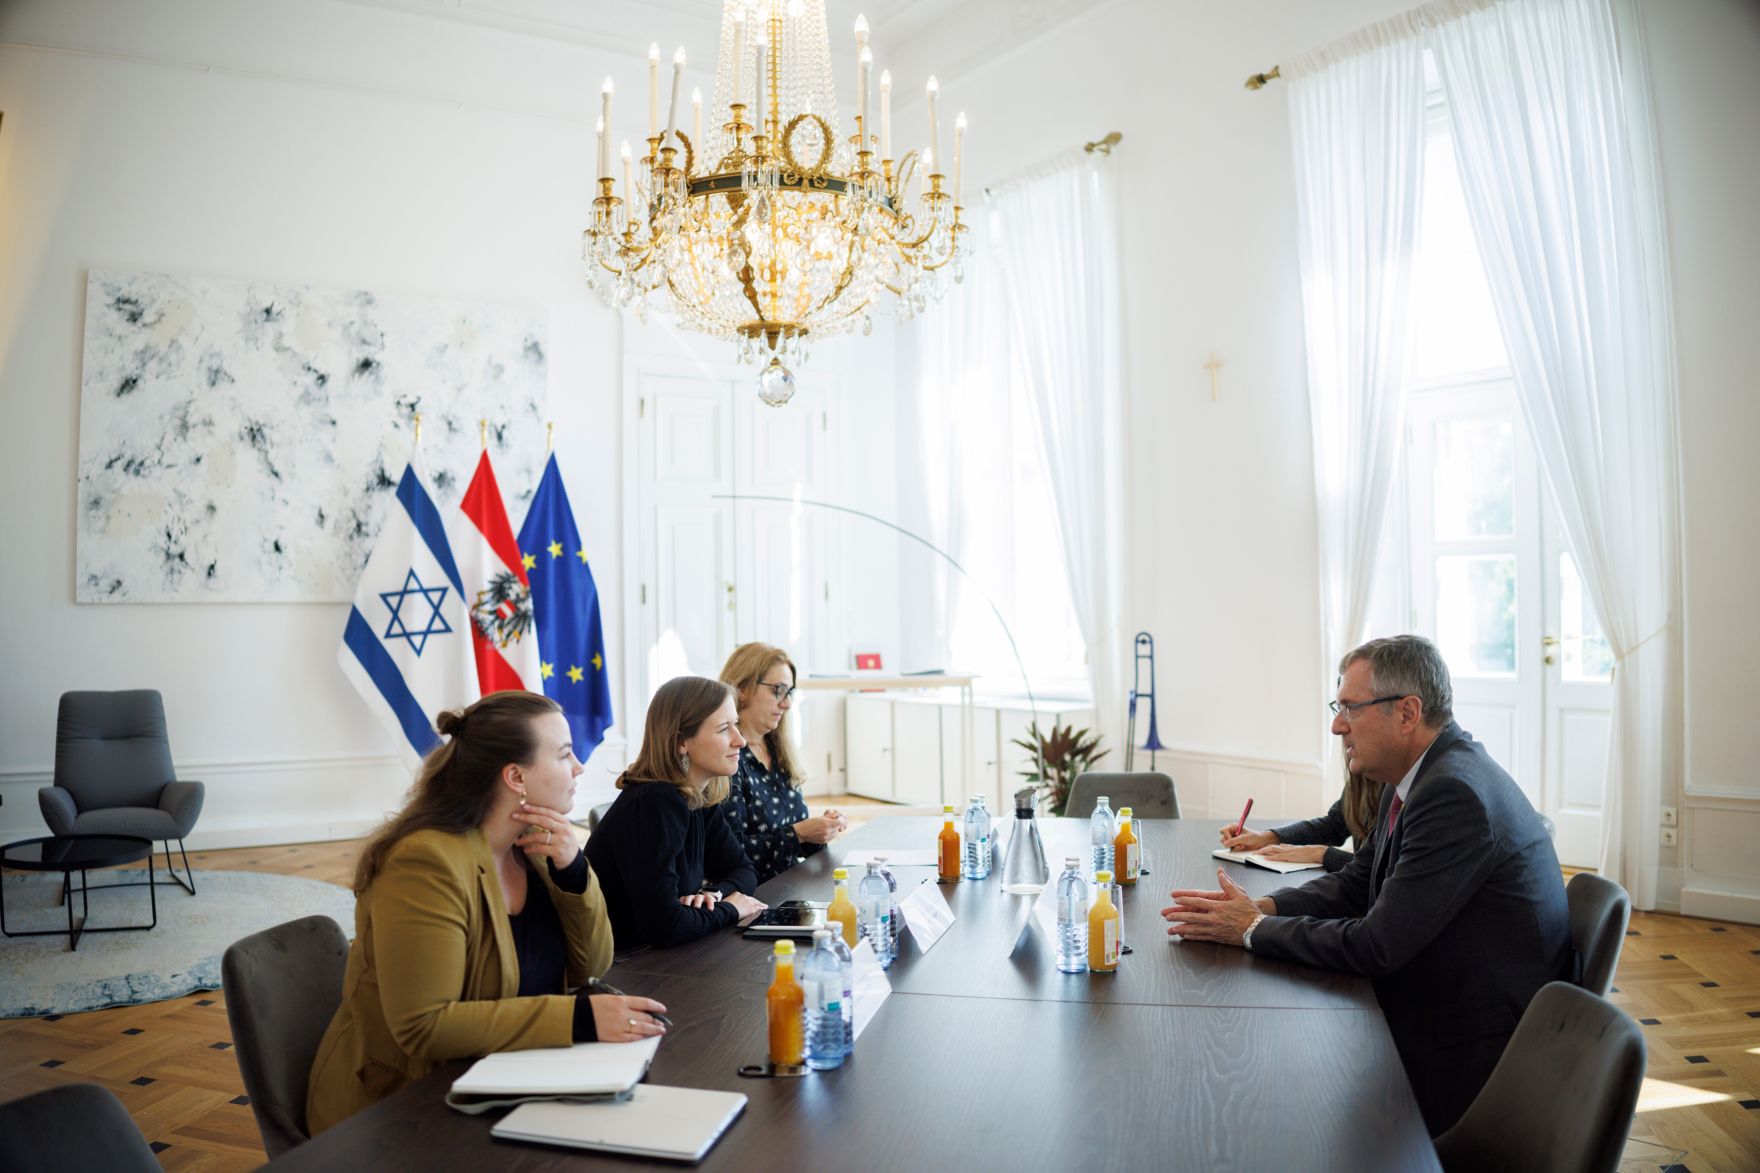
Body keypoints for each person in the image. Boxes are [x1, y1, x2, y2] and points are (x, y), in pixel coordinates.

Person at [1162, 635, 1571, 1136]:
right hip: (1449, 1001)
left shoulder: (1452, 793)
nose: (1338, 725)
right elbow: (1358, 882)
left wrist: (1252, 930)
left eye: (1350, 709)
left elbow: (1378, 946)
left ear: (1407, 713)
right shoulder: (1419, 776)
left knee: (1281, 1103)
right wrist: (1260, 907)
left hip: (1474, 1050)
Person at [306, 691, 665, 1136]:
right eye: (564, 754)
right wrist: (578, 1020)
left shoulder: (534, 845)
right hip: (401, 1109)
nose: (578, 768)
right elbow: (424, 1026)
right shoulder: (424, 863)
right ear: (515, 776)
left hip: (502, 1077)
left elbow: (592, 966)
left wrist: (573, 873)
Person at [585, 676, 766, 949]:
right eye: (723, 729)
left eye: (736, 725)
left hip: (658, 955)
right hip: (627, 962)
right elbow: (664, 927)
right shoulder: (655, 802)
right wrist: (730, 909)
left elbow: (743, 869)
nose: (740, 740)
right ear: (682, 741)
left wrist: (713, 894)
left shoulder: (698, 794)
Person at [718, 642, 848, 882]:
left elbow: (795, 842)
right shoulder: (727, 759)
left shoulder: (779, 751)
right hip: (753, 896)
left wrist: (820, 830)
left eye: (789, 692)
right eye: (778, 690)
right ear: (742, 689)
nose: (787, 703)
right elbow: (729, 855)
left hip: (793, 886)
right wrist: (798, 834)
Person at [1217, 760, 1384, 872]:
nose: (1336, 728)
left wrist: (1320, 854)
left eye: (1351, 716)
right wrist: (1265, 838)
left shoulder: (1396, 792)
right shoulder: (1362, 774)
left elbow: (1380, 870)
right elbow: (1333, 825)